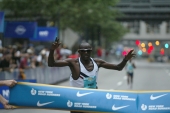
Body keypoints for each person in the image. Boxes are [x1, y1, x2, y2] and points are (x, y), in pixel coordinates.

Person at [48, 39, 135, 113]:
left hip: (92, 100)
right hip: (76, 101)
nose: (86, 52)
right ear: (79, 52)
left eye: (88, 51)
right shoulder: (73, 63)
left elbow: (118, 67)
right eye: (83, 51)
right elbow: (51, 64)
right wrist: (52, 50)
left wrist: (125, 59)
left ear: (91, 52)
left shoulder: (97, 62)